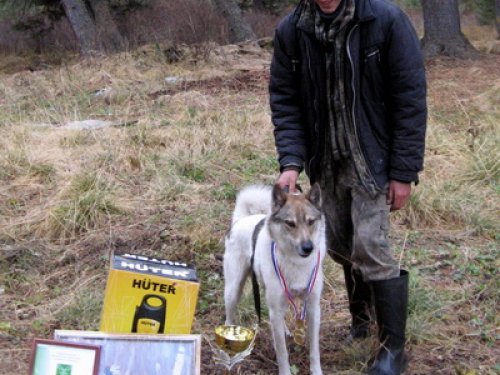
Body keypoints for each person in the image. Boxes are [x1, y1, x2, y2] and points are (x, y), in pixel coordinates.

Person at [269, 0, 427, 374]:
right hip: (324, 163)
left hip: (372, 160)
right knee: (340, 245)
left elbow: (410, 98)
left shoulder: (384, 20)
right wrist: (291, 160)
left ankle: (392, 351)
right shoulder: (293, 30)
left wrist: (403, 171)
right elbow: (286, 102)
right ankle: (362, 324)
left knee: (371, 245)